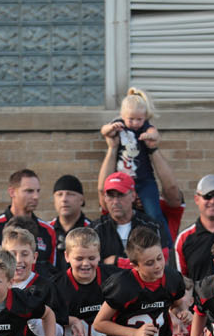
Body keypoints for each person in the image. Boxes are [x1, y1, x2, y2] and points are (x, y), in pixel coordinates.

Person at [99, 88, 170, 241]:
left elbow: (155, 133)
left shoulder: (144, 128)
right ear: (122, 116)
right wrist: (111, 129)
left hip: (144, 180)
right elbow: (104, 130)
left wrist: (149, 135)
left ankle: (164, 241)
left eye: (140, 119)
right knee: (118, 209)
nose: (135, 123)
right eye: (131, 119)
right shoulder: (119, 124)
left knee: (153, 211)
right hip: (122, 181)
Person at [0, 169, 58, 274]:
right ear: (12, 192)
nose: (36, 196)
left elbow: (53, 274)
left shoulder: (48, 230)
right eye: (29, 191)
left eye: (38, 191)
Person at [95, 171, 164, 265]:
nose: (115, 201)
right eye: (111, 196)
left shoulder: (152, 226)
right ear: (105, 198)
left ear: (133, 196)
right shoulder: (95, 230)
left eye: (120, 195)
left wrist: (117, 262)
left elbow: (162, 263)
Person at [48, 174, 93, 261]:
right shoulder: (46, 230)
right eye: (59, 194)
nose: (64, 199)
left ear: (82, 199)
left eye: (70, 194)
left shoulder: (92, 230)